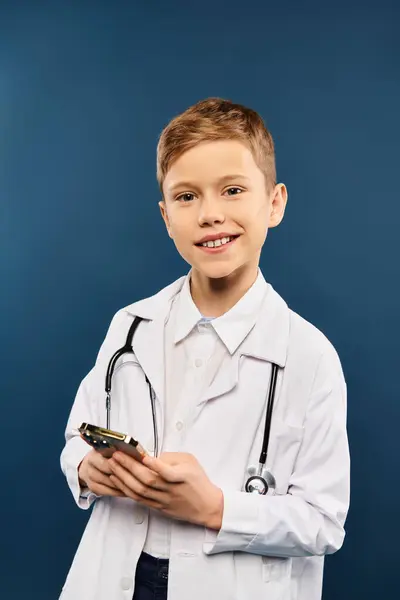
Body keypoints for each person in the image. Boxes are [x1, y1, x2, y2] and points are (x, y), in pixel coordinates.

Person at [59, 97, 350, 600]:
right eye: (186, 197)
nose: (210, 214)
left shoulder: (310, 358)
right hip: (116, 578)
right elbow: (77, 437)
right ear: (166, 216)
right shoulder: (130, 326)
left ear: (274, 203)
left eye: (233, 190)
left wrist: (216, 508)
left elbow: (324, 523)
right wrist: (90, 467)